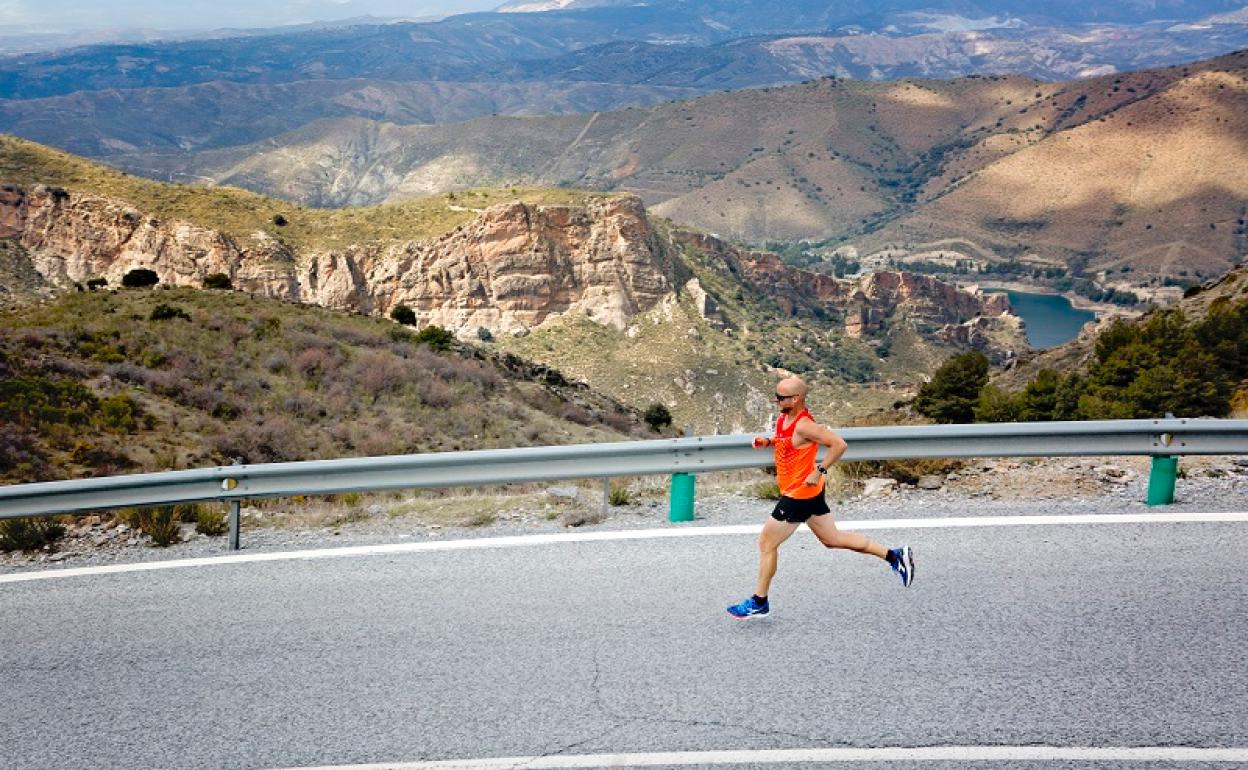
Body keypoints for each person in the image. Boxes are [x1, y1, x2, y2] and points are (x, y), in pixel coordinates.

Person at [727, 376, 914, 619]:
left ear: (795, 399)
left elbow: (839, 445)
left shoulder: (804, 424)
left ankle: (759, 602)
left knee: (767, 543)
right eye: (776, 395)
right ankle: (895, 555)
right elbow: (788, 441)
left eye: (781, 397)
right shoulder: (785, 418)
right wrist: (768, 441)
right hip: (806, 492)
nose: (776, 400)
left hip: (799, 494)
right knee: (832, 539)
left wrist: (819, 470)